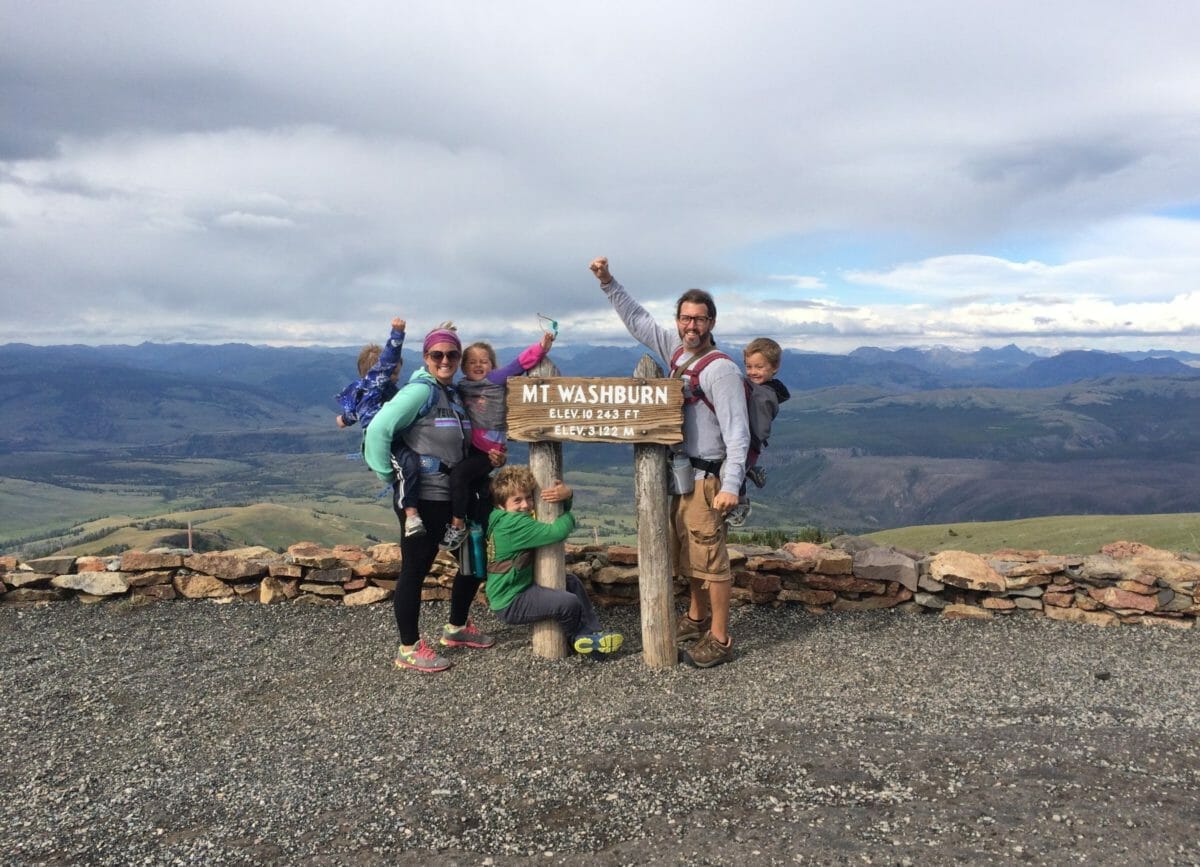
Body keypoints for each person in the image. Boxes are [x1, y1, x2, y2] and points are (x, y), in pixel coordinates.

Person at [589, 256, 749, 669]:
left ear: (711, 322)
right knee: (689, 557)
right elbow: (638, 321)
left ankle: (720, 638)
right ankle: (696, 618)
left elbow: (737, 433)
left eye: (699, 319)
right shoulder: (677, 352)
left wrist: (731, 485)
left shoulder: (722, 371)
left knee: (711, 561)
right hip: (682, 477)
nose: (690, 326)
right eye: (684, 318)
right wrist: (608, 283)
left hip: (708, 480)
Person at [363, 322, 502, 673]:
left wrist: (490, 459)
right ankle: (408, 648)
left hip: (455, 495)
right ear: (426, 357)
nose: (445, 360)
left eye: (452, 354)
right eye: (437, 354)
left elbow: (464, 443)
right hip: (422, 499)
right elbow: (379, 430)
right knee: (416, 568)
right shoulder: (419, 392)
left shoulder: (451, 394)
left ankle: (456, 628)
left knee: (472, 560)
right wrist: (389, 476)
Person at [485, 465, 623, 655]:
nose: (525, 505)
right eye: (517, 500)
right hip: (511, 601)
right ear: (501, 505)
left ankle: (593, 632)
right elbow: (556, 531)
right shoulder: (512, 525)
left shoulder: (505, 517)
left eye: (528, 497)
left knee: (571, 582)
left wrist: (565, 498)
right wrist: (570, 515)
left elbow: (547, 515)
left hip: (519, 588)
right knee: (568, 603)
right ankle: (581, 639)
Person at [439, 330, 555, 552]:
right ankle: (483, 538)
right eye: (472, 362)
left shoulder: (494, 380)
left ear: (492, 365)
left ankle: (458, 524)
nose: (478, 365)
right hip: (471, 448)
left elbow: (518, 364)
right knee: (473, 488)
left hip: (489, 450)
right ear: (463, 367)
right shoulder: (462, 386)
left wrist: (541, 347)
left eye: (484, 361)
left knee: (459, 476)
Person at [335, 317, 425, 538]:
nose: (396, 377)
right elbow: (389, 358)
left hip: (390, 436)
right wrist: (397, 332)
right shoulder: (378, 382)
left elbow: (355, 412)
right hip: (388, 441)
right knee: (409, 465)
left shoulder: (364, 390)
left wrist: (343, 420)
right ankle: (411, 514)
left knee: (412, 462)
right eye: (394, 373)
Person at [727, 337, 791, 527]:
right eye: (749, 366)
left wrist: (749, 442)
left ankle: (740, 505)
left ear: (774, 367)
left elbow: (760, 427)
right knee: (740, 469)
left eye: (759, 367)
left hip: (748, 443)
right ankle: (751, 471)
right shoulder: (755, 388)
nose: (753, 372)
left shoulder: (763, 396)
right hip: (748, 442)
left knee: (734, 471)